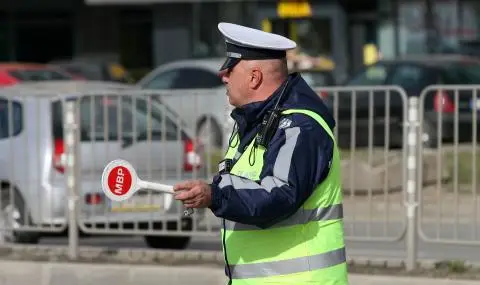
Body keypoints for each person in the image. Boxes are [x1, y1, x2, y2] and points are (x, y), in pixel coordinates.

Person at [173, 22, 348, 285]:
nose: (224, 76)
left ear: (254, 77)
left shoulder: (300, 127)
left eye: (230, 69)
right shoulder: (255, 123)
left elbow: (279, 194)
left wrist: (214, 195)